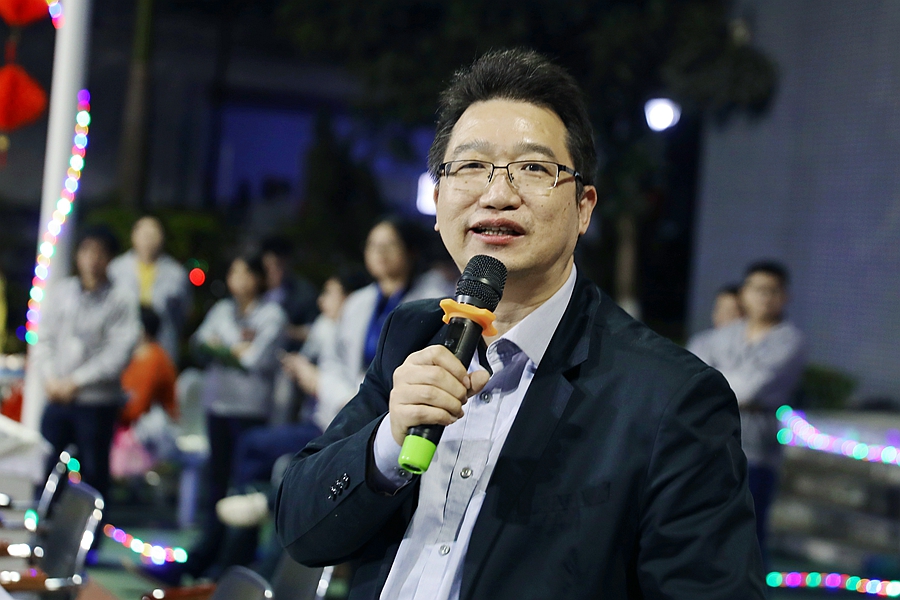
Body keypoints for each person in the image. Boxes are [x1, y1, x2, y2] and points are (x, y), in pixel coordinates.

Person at [276, 49, 765, 600]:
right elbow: (300, 528)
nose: (497, 194)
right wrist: (387, 442)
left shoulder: (670, 398)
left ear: (584, 208)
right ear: (437, 201)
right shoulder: (412, 333)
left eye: (533, 168)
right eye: (471, 166)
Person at [688, 260, 806, 562]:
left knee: (747, 540)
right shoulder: (722, 335)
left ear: (785, 296)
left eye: (772, 290)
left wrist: (714, 383)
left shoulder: (789, 341)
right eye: (757, 289)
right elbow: (688, 377)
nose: (764, 297)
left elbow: (751, 388)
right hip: (710, 449)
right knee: (704, 538)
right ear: (744, 293)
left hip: (756, 455)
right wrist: (730, 387)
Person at [289, 217, 453, 432]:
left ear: (411, 251)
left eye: (389, 245)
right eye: (373, 245)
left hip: (397, 415)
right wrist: (345, 399)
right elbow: (333, 360)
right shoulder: (357, 302)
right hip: (346, 409)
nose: (380, 252)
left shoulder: (434, 300)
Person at [182, 252, 287, 580]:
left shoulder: (272, 314)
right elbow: (199, 343)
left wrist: (222, 346)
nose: (238, 280)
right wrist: (232, 349)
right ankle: (205, 557)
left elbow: (253, 359)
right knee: (216, 485)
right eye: (233, 273)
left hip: (251, 411)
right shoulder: (221, 309)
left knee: (244, 489)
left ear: (258, 278)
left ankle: (233, 565)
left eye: (245, 273)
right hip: (218, 406)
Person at [32, 225, 140, 504]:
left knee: (93, 473)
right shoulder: (63, 292)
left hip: (96, 402)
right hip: (57, 396)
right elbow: (44, 339)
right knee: (45, 468)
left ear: (110, 258)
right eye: (87, 250)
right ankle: (41, 524)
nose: (92, 259)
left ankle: (91, 530)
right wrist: (51, 379)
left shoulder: (121, 298)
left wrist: (76, 382)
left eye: (100, 253)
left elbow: (118, 353)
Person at [108, 216, 190, 362]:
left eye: (153, 235)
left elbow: (183, 313)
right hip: (124, 346)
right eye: (144, 234)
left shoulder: (176, 273)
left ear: (162, 238)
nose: (148, 240)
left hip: (162, 345)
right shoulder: (115, 269)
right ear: (133, 236)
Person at [119, 307, 179, 427]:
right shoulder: (138, 355)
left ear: (141, 330)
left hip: (148, 430)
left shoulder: (152, 359)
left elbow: (135, 410)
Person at [260, 236, 319, 351]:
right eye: (267, 267)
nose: (271, 271)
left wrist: (282, 331)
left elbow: (315, 331)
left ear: (287, 263)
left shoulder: (304, 293)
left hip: (291, 354)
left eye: (277, 265)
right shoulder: (256, 288)